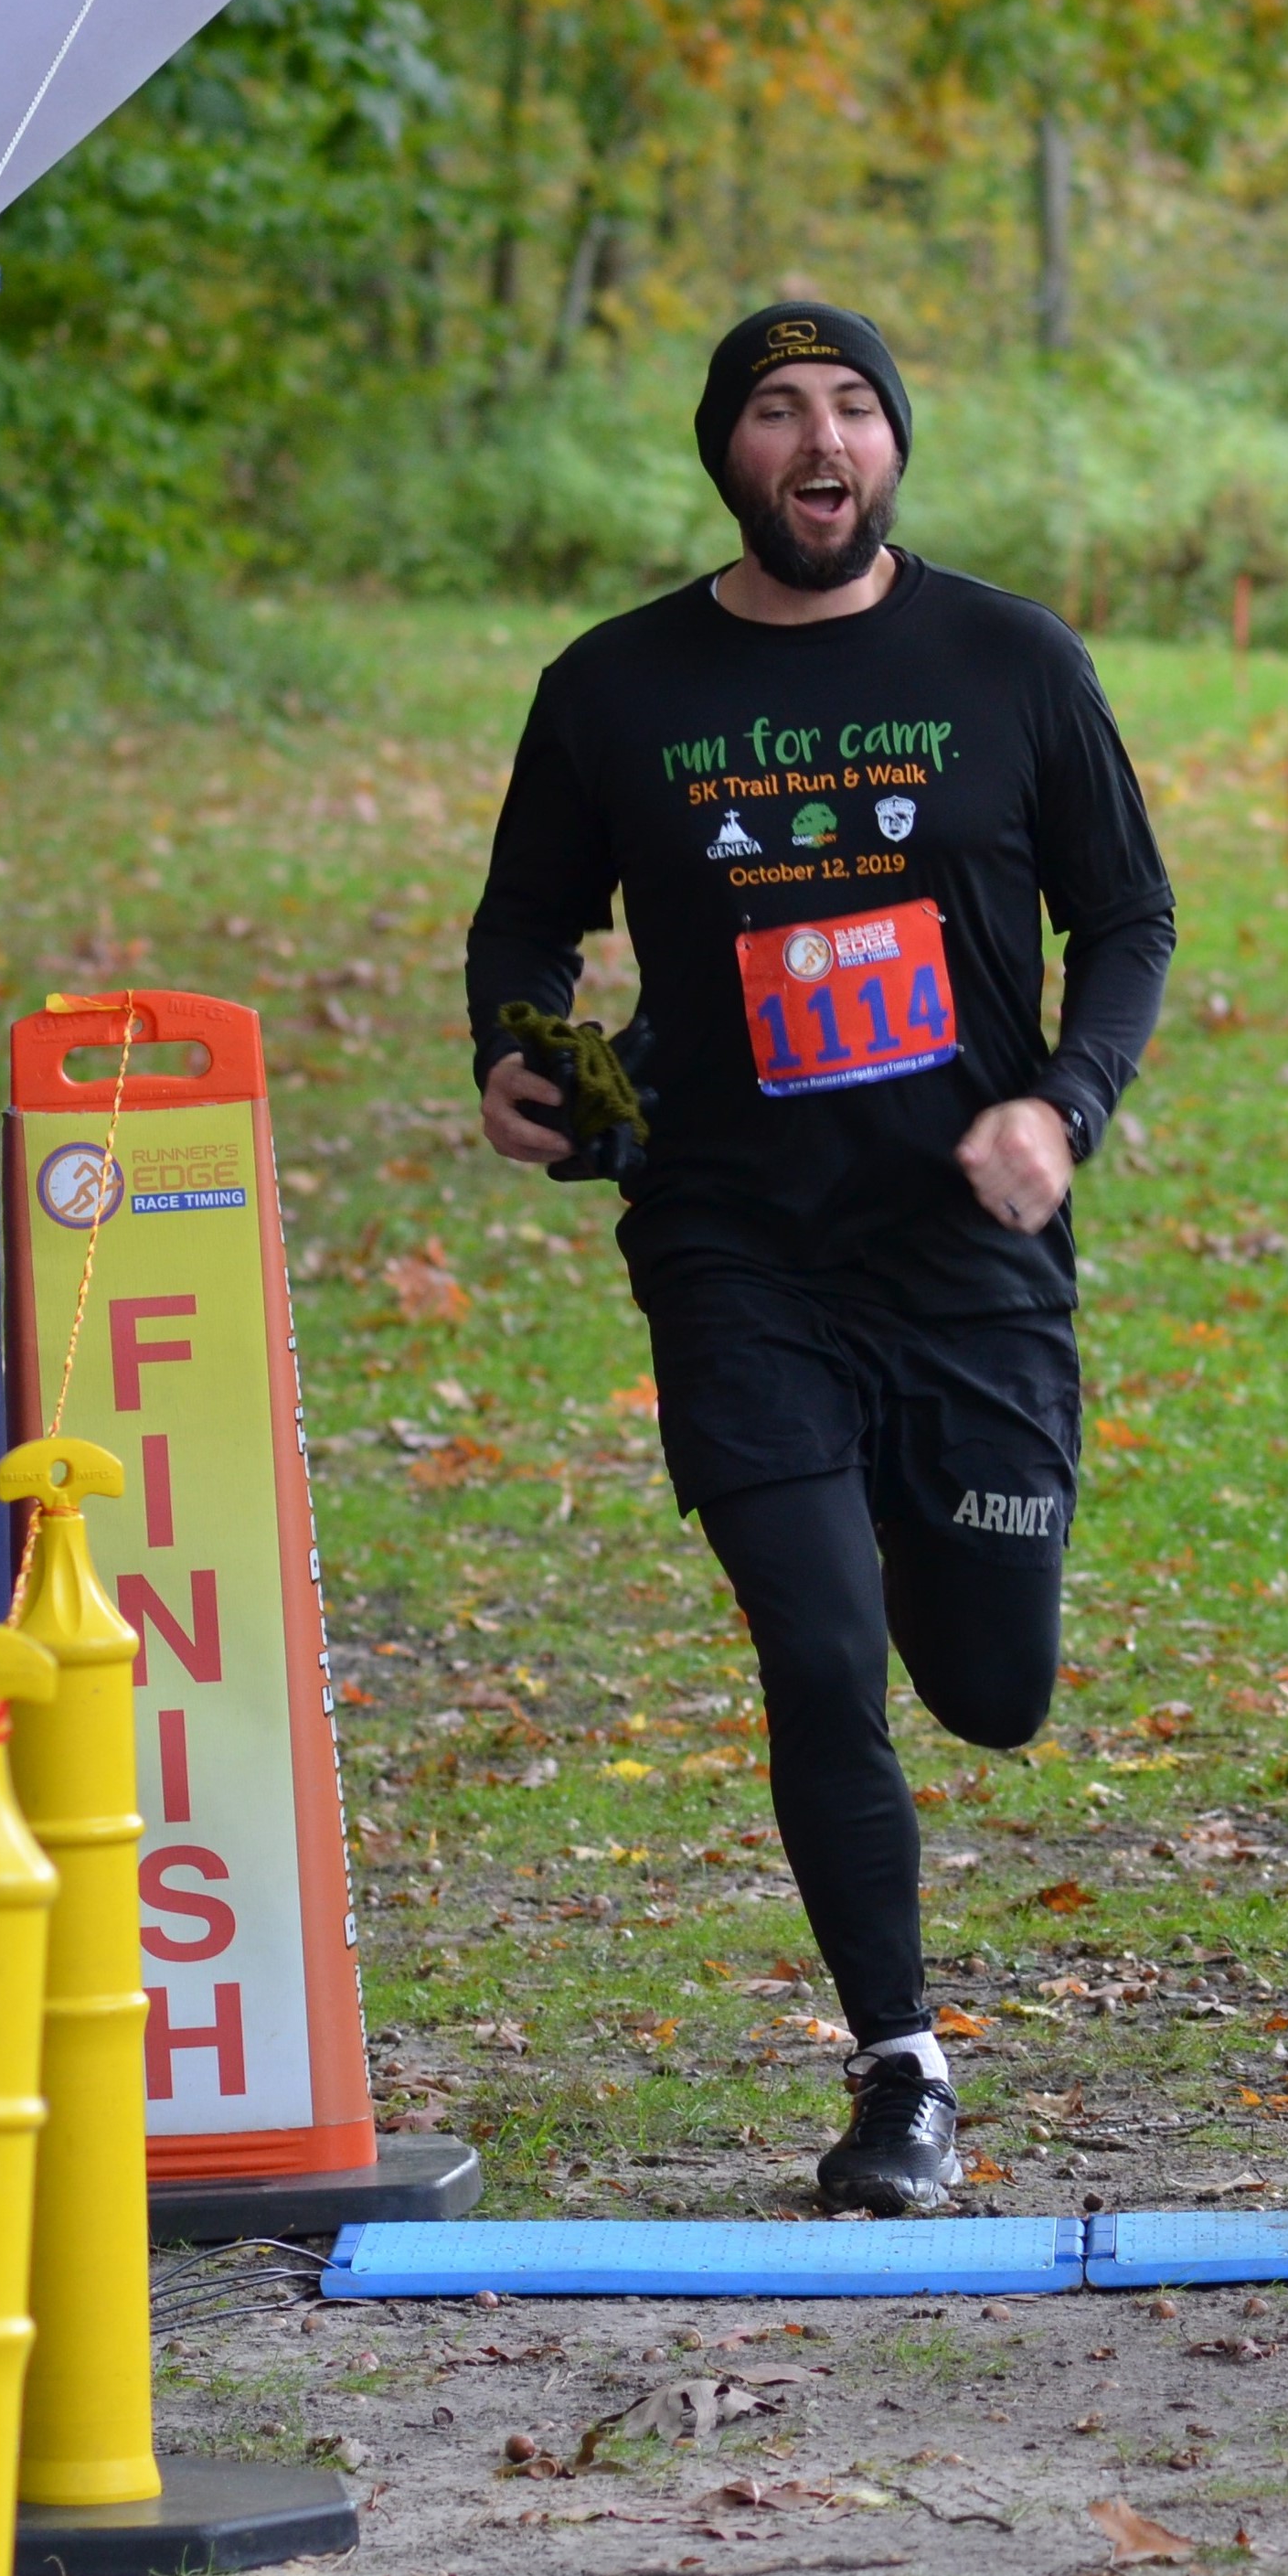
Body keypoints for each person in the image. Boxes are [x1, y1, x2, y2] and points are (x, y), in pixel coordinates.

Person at [464, 303, 1176, 2214]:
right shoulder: (618, 684)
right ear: (728, 453)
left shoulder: (1007, 660)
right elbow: (523, 933)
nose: (817, 435)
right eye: (776, 408)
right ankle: (900, 2069)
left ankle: (936, 1538)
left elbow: (1127, 917)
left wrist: (1064, 1105)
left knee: (991, 1686)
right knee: (818, 1645)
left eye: (851, 404)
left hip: (963, 1242)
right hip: (731, 1236)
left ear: (890, 450)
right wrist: (518, 1063)